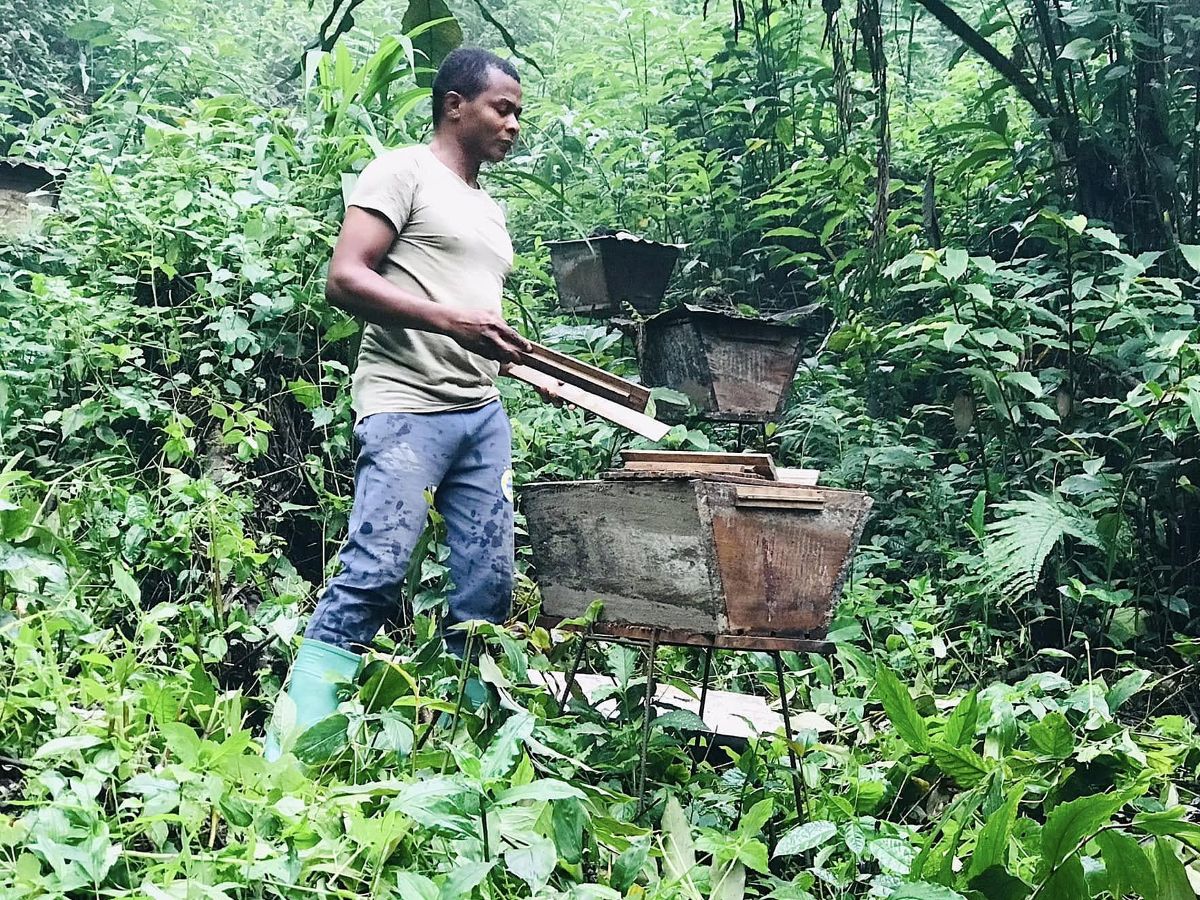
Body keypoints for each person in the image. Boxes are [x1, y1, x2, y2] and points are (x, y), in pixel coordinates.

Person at [265, 47, 533, 760]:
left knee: (488, 586)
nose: (513, 125)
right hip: (406, 404)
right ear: (455, 104)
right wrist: (451, 323)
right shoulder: (403, 171)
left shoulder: (488, 207)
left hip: (481, 411)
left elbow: (471, 302)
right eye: (501, 109)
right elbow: (345, 278)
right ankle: (291, 754)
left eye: (518, 114)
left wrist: (494, 343)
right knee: (377, 568)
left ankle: (461, 751)